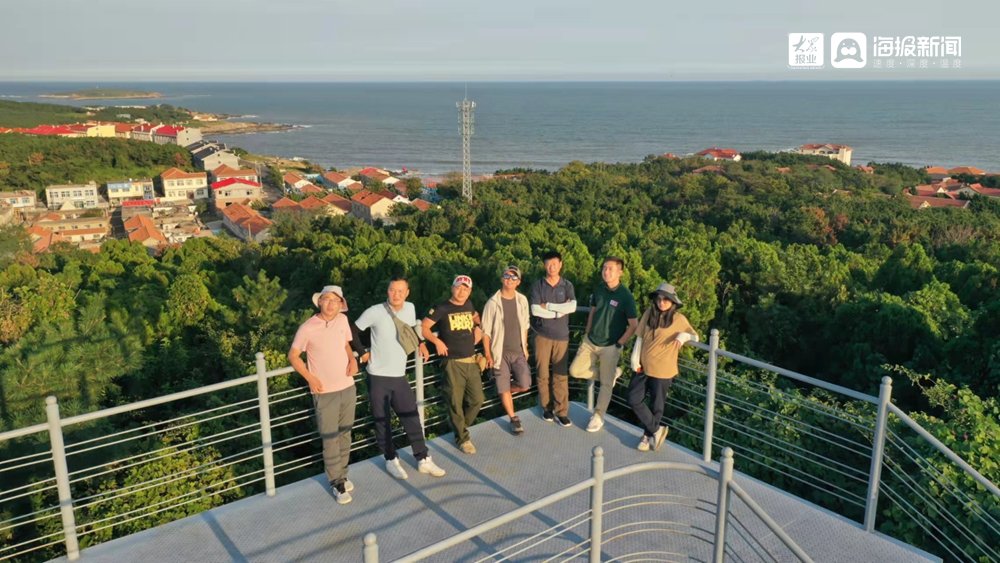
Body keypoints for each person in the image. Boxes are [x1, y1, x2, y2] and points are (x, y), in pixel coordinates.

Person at [354, 277, 447, 479]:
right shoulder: (374, 311)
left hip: (399, 375)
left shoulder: (410, 308)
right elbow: (353, 330)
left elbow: (412, 327)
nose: (396, 294)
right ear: (387, 291)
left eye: (400, 291)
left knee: (411, 418)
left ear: (407, 292)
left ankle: (423, 459)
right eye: (392, 290)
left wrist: (421, 343)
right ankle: (391, 459)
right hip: (378, 376)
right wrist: (362, 352)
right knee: (383, 420)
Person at [288, 285, 359, 505]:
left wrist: (353, 359)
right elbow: (293, 356)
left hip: (347, 385)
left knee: (345, 433)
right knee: (330, 438)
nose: (330, 304)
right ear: (319, 302)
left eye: (335, 301)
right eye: (326, 300)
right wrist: (310, 378)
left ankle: (343, 474)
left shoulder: (342, 321)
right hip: (324, 391)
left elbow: (346, 344)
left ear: (341, 304)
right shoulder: (308, 327)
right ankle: (336, 482)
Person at [569, 257, 638, 433]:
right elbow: (593, 311)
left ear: (620, 272)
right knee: (575, 370)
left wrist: (619, 343)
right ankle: (611, 375)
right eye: (604, 268)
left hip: (610, 345)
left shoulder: (626, 297)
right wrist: (587, 332)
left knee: (606, 385)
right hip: (590, 341)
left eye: (610, 269)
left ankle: (598, 415)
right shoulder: (599, 290)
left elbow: (634, 325)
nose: (606, 272)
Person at [628, 283, 698, 451]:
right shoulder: (649, 314)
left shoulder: (678, 319)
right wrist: (634, 358)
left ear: (673, 302)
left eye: (666, 299)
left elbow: (695, 336)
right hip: (644, 367)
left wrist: (683, 336)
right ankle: (656, 430)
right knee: (633, 398)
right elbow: (639, 337)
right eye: (659, 299)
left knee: (656, 406)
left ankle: (647, 436)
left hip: (664, 370)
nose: (662, 303)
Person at [422, 275, 485, 454]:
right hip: (452, 362)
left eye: (465, 288)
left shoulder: (469, 304)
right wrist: (437, 342)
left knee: (477, 400)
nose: (461, 291)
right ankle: (463, 439)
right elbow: (424, 327)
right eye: (458, 287)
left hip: (471, 360)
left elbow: (476, 317)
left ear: (469, 291)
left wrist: (478, 327)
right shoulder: (442, 307)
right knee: (455, 402)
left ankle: (459, 427)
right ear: (452, 288)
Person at [481, 266, 531, 435]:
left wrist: (526, 347)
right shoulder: (492, 303)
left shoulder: (522, 300)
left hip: (518, 350)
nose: (509, 279)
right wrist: (488, 354)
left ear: (518, 282)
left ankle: (504, 389)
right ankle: (513, 418)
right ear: (502, 278)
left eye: (513, 277)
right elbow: (485, 332)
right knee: (503, 388)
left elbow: (525, 325)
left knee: (525, 384)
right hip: (499, 352)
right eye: (507, 276)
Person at [529, 251, 577, 427]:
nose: (552, 267)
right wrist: (560, 310)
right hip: (542, 335)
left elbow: (572, 307)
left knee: (560, 375)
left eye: (555, 264)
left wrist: (549, 307)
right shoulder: (538, 286)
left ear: (560, 264)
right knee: (542, 374)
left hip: (561, 336)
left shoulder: (567, 285)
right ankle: (547, 408)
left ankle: (562, 411)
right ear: (544, 266)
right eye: (548, 264)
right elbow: (535, 310)